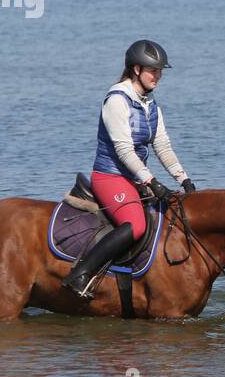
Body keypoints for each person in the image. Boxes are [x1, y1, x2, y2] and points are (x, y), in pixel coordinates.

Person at [61, 39, 196, 297]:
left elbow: (163, 146)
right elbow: (124, 151)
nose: (159, 76)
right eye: (153, 70)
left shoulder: (150, 103)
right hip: (110, 176)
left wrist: (184, 179)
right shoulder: (116, 100)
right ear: (136, 69)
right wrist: (151, 181)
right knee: (136, 224)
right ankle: (80, 274)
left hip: (133, 178)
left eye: (160, 71)